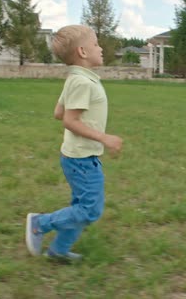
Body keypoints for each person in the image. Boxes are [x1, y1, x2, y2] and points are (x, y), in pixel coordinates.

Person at [25, 25, 123, 261]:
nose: (100, 48)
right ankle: (40, 223)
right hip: (82, 159)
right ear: (82, 51)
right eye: (96, 44)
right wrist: (103, 137)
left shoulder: (75, 79)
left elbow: (58, 112)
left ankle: (58, 251)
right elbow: (69, 120)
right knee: (90, 210)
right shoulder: (82, 83)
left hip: (77, 156)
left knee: (80, 207)